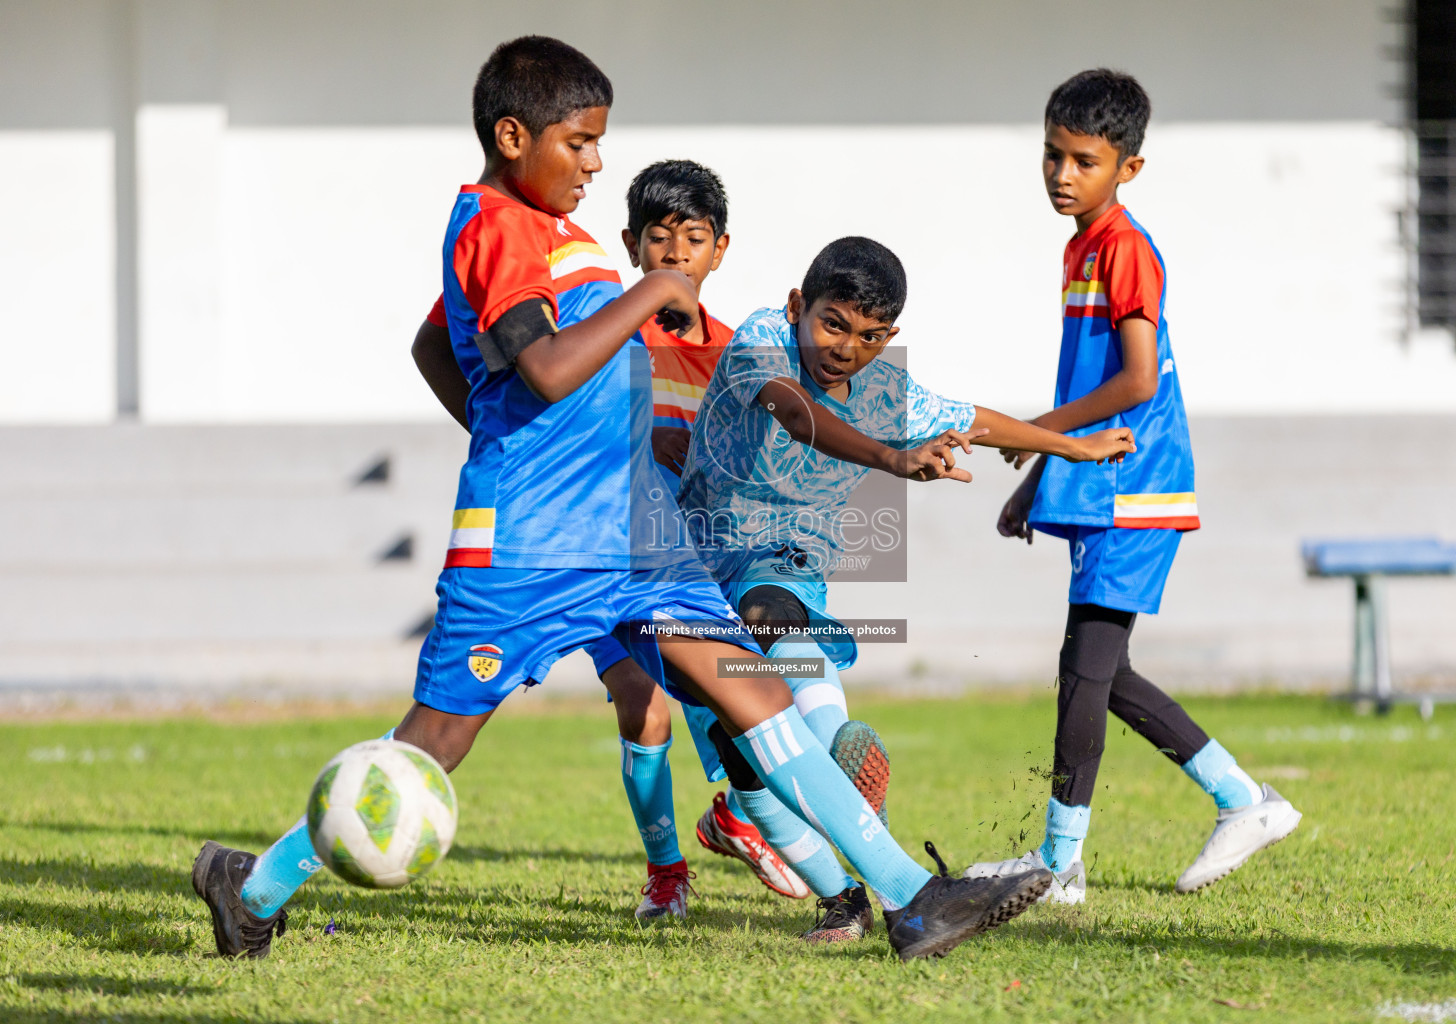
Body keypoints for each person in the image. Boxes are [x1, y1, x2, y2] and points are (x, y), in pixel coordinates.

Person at [191, 35, 1049, 964]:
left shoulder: (552, 230)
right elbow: (546, 368)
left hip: (636, 538)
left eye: (601, 142)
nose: (598, 163)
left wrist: (551, 404)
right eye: (580, 142)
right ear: (513, 135)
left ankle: (911, 901)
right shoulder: (494, 227)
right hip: (531, 545)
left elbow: (446, 343)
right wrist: (641, 303)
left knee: (757, 695)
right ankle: (257, 887)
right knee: (433, 741)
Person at [675, 235, 1137, 941]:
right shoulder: (762, 340)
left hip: (776, 566)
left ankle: (858, 801)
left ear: (889, 336)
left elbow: (968, 418)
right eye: (833, 324)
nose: (847, 348)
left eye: (870, 337)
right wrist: (893, 458)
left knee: (777, 621)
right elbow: (797, 413)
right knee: (748, 766)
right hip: (688, 575)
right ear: (800, 306)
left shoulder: (883, 389)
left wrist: (1070, 445)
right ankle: (843, 893)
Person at [415, 157, 807, 917]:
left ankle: (757, 821)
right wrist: (528, 443)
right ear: (633, 245)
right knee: (645, 703)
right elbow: (445, 344)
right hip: (600, 545)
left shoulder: (733, 355)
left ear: (719, 251)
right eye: (660, 240)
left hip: (692, 556)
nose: (676, 257)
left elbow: (766, 454)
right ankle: (669, 872)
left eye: (693, 241)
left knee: (753, 691)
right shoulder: (582, 299)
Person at [975, 69, 1302, 902]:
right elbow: (1093, 371)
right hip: (1097, 485)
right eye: (1051, 155)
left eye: (1083, 160)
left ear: (1129, 168)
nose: (1061, 174)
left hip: (1135, 486)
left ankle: (1060, 866)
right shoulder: (1080, 245)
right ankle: (1244, 802)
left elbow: (1136, 381)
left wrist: (1039, 432)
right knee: (1101, 673)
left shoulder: (1123, 247)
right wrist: (1039, 478)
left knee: (1086, 669)